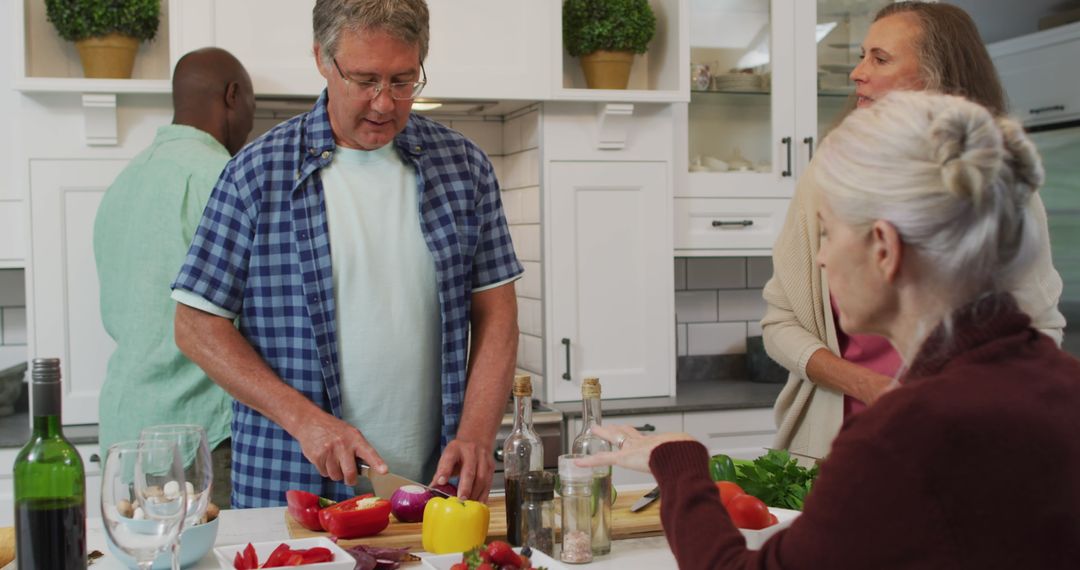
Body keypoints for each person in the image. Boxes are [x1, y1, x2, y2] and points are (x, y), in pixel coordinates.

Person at [580, 91, 1080, 568]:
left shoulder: (903, 436)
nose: (820, 257)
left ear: (883, 247)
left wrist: (680, 462)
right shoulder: (1062, 385)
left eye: (827, 232)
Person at [171, 0, 522, 508]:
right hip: (290, 484)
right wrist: (305, 420)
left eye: (403, 81)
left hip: (433, 493)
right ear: (321, 58)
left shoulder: (464, 168)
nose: (384, 103)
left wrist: (476, 433)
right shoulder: (256, 174)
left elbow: (498, 314)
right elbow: (196, 325)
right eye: (365, 79)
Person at [762, 1, 1066, 462]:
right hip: (835, 448)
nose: (857, 73)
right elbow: (780, 321)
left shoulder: (997, 187)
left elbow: (1040, 325)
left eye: (879, 59)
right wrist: (872, 386)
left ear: (935, 75)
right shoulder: (827, 174)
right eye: (862, 55)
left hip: (962, 451)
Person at [94, 47, 256, 509]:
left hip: (123, 432)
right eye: (251, 107)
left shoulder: (122, 183)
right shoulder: (226, 179)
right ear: (232, 96)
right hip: (200, 434)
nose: (249, 121)